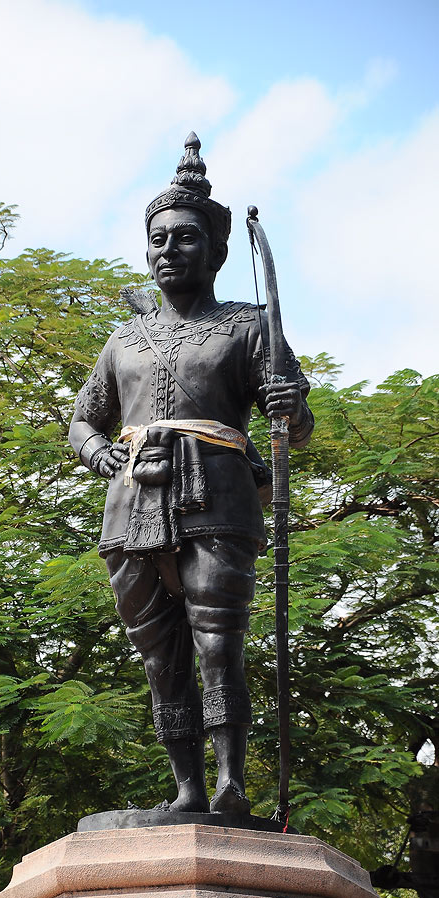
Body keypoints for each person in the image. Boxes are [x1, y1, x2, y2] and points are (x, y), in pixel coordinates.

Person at [69, 133, 314, 814]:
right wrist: (100, 454)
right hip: (132, 500)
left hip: (218, 495)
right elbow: (82, 421)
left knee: (216, 643)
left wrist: (292, 409)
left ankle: (232, 783)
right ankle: (186, 789)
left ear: (217, 251)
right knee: (159, 657)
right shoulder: (121, 340)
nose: (167, 251)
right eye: (157, 241)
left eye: (183, 238)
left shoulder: (250, 325)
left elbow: (291, 425)